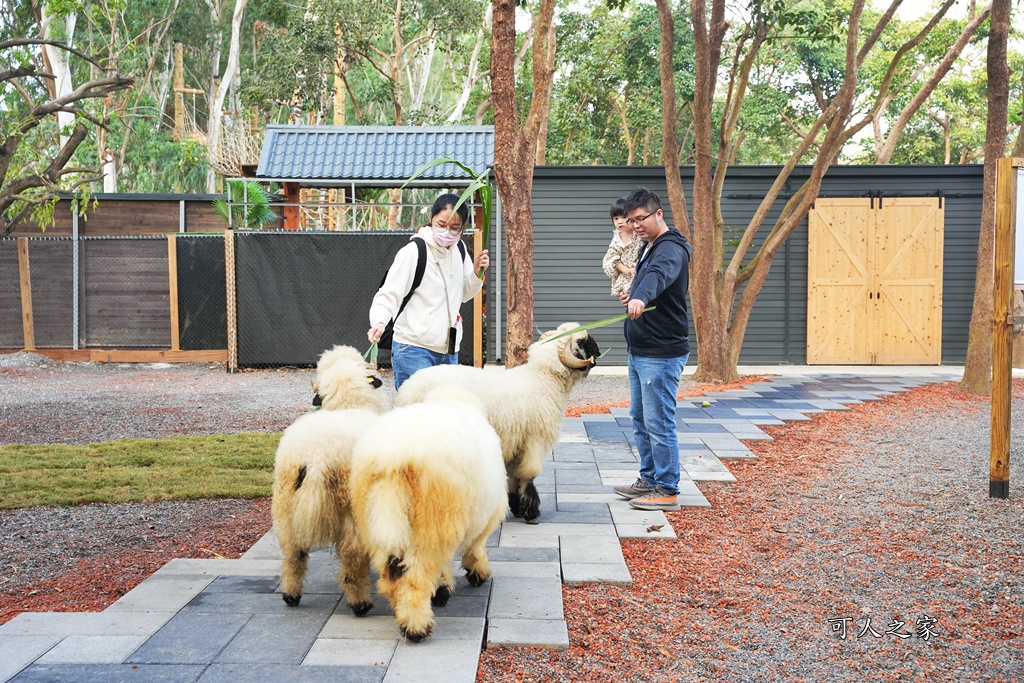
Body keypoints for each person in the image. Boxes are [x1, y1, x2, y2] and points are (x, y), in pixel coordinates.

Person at [612, 187, 691, 512]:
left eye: (641, 218)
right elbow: (646, 281)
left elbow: (658, 276)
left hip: (661, 352)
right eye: (631, 221)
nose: (636, 226)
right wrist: (631, 295)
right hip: (641, 348)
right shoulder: (648, 246)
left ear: (658, 214)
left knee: (659, 421)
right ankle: (649, 478)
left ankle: (667, 488)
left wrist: (641, 297)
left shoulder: (670, 248)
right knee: (641, 418)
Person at [367, 193, 489, 389]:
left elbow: (464, 295)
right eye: (441, 225)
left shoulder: (460, 251)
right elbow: (389, 293)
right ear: (432, 218)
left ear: (462, 228)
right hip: (413, 348)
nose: (447, 232)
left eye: (454, 228)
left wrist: (476, 273)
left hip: (449, 349)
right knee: (417, 413)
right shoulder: (414, 251)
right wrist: (379, 321)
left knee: (445, 411)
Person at [601, 197, 642, 297]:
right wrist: (627, 270)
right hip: (626, 279)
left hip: (640, 275)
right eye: (616, 218)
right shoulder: (616, 240)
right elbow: (612, 260)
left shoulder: (639, 234)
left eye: (624, 217)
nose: (620, 221)